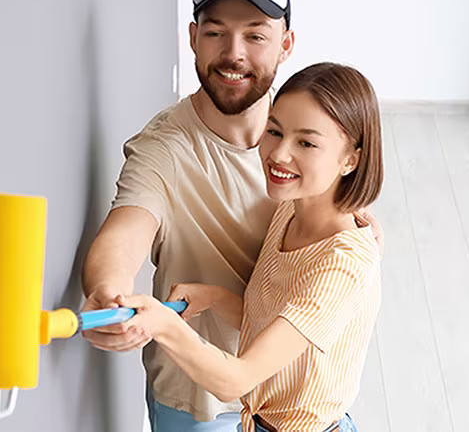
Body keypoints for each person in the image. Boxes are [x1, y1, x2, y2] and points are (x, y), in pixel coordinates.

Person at [117, 62, 383, 432]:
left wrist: (163, 326)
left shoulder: (343, 267)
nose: (279, 154)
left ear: (351, 159)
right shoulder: (289, 210)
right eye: (274, 131)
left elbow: (237, 380)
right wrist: (212, 297)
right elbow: (270, 324)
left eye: (306, 143)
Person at [81, 0, 296, 430]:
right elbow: (126, 230)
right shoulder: (164, 149)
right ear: (194, 38)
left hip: (291, 397)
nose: (233, 54)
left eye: (255, 35)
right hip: (201, 409)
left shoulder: (303, 132)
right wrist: (108, 291)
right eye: (216, 33)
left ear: (286, 44)